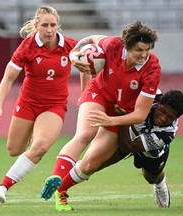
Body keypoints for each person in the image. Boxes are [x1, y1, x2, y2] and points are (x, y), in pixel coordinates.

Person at [40, 20, 161, 211]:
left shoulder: (152, 69)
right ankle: (55, 177)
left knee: (90, 164)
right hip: (99, 93)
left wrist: (110, 120)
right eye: (139, 49)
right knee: (84, 134)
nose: (144, 54)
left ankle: (60, 190)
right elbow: (89, 39)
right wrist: (73, 54)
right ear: (126, 46)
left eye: (147, 49)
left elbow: (139, 114)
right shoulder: (112, 44)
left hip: (120, 113)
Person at [0, 5, 78, 204]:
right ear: (37, 26)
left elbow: (88, 68)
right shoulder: (27, 47)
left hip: (54, 106)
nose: (49, 29)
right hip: (28, 103)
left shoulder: (71, 46)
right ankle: (32, 138)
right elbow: (7, 78)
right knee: (14, 150)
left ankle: (2, 186)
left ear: (58, 26)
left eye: (53, 25)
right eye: (44, 25)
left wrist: (86, 93)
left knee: (39, 147)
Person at [48, 89, 183, 210]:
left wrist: (121, 120)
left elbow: (128, 147)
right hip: (125, 133)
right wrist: (88, 99)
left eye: (170, 117)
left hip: (146, 151)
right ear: (159, 103)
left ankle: (160, 182)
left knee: (151, 177)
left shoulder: (167, 134)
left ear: (177, 118)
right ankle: (60, 189)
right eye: (162, 111)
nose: (163, 118)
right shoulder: (151, 95)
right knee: (92, 164)